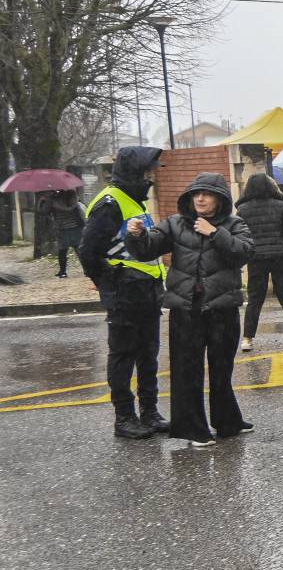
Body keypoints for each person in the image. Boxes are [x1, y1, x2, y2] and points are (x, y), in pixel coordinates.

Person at [126, 173, 254, 447]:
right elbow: (147, 250)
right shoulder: (174, 223)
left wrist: (216, 233)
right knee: (186, 371)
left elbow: (244, 252)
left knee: (222, 369)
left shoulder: (234, 224)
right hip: (185, 309)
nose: (200, 198)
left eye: (206, 194)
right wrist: (136, 236)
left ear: (220, 199)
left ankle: (228, 422)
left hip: (222, 308)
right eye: (196, 193)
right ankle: (193, 429)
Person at [79, 146, 169, 440]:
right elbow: (89, 251)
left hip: (147, 293)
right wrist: (108, 281)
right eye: (148, 170)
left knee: (148, 355)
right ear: (134, 170)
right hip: (125, 294)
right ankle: (125, 417)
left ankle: (150, 413)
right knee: (123, 356)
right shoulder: (110, 202)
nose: (152, 176)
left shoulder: (135, 201)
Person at [236, 172, 283, 350]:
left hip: (256, 259)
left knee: (255, 299)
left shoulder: (242, 209)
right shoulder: (281, 206)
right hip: (279, 257)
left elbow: (240, 236)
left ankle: (247, 339)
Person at [46, 189, 85, 278]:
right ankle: (86, 270)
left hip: (66, 227)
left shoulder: (57, 198)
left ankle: (63, 271)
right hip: (69, 227)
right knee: (75, 250)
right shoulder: (71, 195)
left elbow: (45, 211)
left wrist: (50, 200)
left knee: (65, 251)